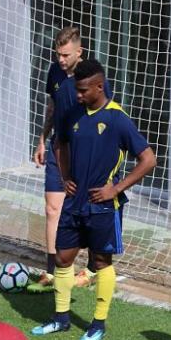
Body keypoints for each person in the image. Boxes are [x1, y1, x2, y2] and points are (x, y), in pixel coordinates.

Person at [31, 59, 156, 340]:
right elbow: (59, 143)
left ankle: (98, 323)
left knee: (100, 261)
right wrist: (64, 178)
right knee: (63, 258)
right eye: (77, 89)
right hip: (74, 202)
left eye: (84, 90)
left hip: (102, 205)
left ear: (100, 87)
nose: (78, 95)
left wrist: (116, 189)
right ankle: (61, 318)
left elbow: (148, 159)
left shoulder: (117, 118)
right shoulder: (73, 114)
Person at [30, 26, 112, 291]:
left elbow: (103, 112)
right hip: (58, 148)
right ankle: (52, 272)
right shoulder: (54, 72)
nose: (61, 60)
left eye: (66, 55)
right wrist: (43, 138)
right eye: (58, 54)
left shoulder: (90, 76)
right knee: (52, 208)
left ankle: (93, 268)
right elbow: (52, 106)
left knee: (88, 210)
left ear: (79, 51)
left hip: (85, 152)